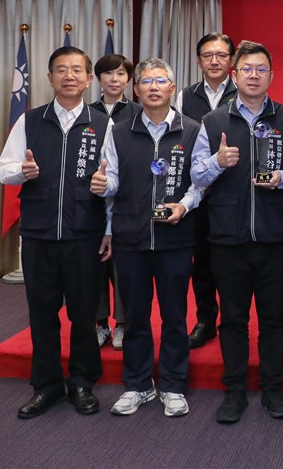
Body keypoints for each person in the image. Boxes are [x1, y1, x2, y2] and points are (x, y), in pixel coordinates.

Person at [191, 40, 283, 424]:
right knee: (233, 319)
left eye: (261, 70)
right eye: (246, 69)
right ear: (234, 74)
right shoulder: (214, 122)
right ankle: (234, 391)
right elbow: (196, 175)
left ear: (271, 76)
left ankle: (273, 389)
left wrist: (282, 177)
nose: (253, 76)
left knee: (274, 318)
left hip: (275, 236)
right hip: (228, 237)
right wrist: (217, 161)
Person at [0, 46, 111, 419]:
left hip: (84, 235)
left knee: (83, 313)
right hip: (39, 235)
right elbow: (4, 169)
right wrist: (22, 172)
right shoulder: (29, 121)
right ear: (50, 78)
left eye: (77, 70)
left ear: (88, 79)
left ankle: (82, 382)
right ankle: (46, 385)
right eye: (61, 70)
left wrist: (106, 195)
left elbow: (115, 181)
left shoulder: (103, 124)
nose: (69, 76)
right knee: (42, 313)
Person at [91, 57, 202, 418]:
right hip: (131, 238)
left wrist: (184, 205)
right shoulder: (119, 131)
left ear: (173, 88)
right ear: (136, 90)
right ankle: (138, 384)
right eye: (147, 81)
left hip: (175, 238)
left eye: (161, 80)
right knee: (135, 317)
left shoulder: (192, 129)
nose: (154, 87)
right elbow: (113, 179)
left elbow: (200, 183)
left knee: (175, 316)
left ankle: (173, 384)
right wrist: (103, 184)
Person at [176, 33, 238, 350]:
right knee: (200, 260)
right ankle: (205, 320)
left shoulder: (243, 92)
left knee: (231, 261)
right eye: (208, 55)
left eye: (221, 55)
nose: (215, 61)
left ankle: (233, 320)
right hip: (198, 190)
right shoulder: (185, 96)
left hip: (233, 190)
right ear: (198, 60)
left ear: (231, 60)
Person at [89, 53, 142, 350]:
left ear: (129, 79)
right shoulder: (87, 113)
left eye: (121, 73)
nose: (114, 79)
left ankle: (123, 323)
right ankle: (100, 323)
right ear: (98, 78)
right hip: (91, 200)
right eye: (108, 73)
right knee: (94, 263)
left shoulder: (138, 112)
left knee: (122, 266)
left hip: (126, 200)